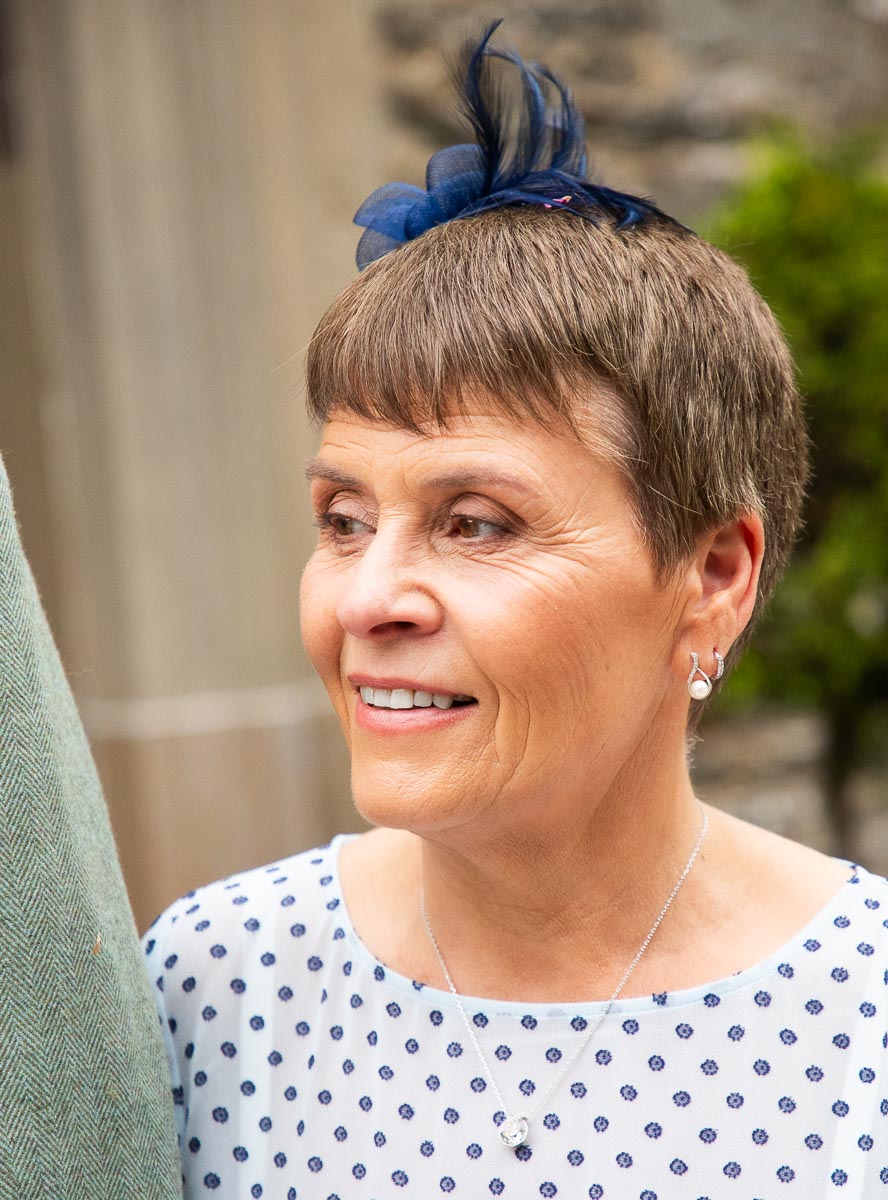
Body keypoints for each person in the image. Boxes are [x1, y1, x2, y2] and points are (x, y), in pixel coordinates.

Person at [142, 24, 887, 1198]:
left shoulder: (863, 1026)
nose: (368, 598)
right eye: (343, 519)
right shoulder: (215, 986)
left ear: (711, 578)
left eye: (477, 523)